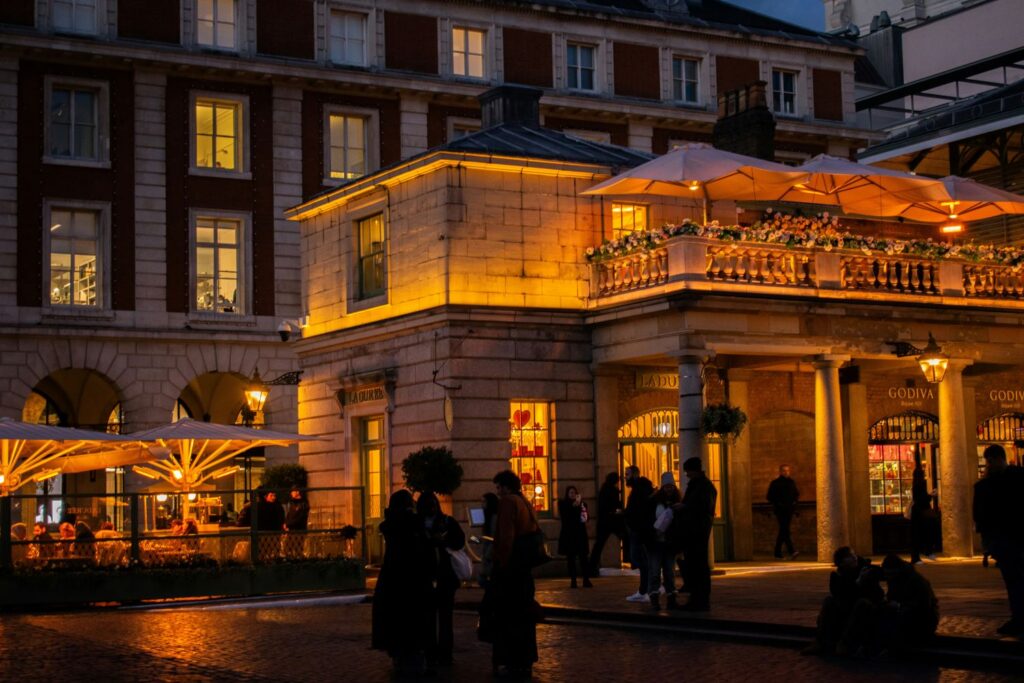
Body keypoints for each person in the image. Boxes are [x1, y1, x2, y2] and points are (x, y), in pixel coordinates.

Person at [371, 490, 434, 675]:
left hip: (392, 576)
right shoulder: (414, 524)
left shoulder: (390, 525)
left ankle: (398, 657)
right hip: (413, 578)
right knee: (414, 618)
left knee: (394, 618)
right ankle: (414, 658)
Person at [491, 469, 540, 678]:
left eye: (499, 487)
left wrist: (500, 562)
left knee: (510, 615)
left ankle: (513, 660)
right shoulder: (524, 501)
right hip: (525, 567)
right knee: (525, 615)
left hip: (512, 567)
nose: (498, 492)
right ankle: (526, 660)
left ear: (505, 486)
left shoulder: (508, 502)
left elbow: (506, 535)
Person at [973, 444, 1024, 636]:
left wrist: (988, 539)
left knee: (1014, 581)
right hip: (1012, 538)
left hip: (1006, 539)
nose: (988, 465)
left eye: (988, 461)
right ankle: (1018, 617)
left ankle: (1019, 619)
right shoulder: (1019, 477)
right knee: (1016, 580)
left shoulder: (986, 485)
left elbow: (980, 515)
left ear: (992, 460)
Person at [804, 546, 884, 656]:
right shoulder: (838, 576)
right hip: (846, 607)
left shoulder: (866, 569)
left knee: (862, 604)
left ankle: (845, 643)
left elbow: (876, 590)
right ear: (841, 563)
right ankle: (820, 642)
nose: (854, 557)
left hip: (864, 608)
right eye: (849, 556)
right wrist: (858, 582)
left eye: (853, 554)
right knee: (829, 601)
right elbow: (840, 594)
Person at [417, 491, 466, 667]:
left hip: (445, 577)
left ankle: (444, 653)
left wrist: (443, 542)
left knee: (444, 618)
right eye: (428, 506)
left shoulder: (447, 521)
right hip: (426, 577)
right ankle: (431, 651)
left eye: (433, 505)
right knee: (429, 618)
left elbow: (460, 541)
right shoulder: (417, 525)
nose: (431, 508)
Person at [677, 457, 717, 611]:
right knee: (696, 566)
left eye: (688, 472)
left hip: (697, 531)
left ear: (694, 471)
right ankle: (697, 598)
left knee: (698, 566)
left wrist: (684, 507)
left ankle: (699, 600)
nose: (687, 475)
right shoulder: (701, 486)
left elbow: (699, 507)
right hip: (695, 531)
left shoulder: (702, 487)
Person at [879, 553, 939, 650]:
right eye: (886, 574)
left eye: (889, 574)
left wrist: (899, 605)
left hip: (924, 618)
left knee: (902, 615)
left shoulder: (916, 580)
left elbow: (923, 605)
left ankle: (896, 649)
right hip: (906, 610)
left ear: (897, 570)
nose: (887, 577)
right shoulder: (894, 578)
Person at [648, 472, 681, 610]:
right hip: (656, 542)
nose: (669, 489)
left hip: (669, 543)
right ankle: (654, 598)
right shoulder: (654, 502)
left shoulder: (677, 503)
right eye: (667, 486)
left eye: (671, 486)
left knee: (669, 572)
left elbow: (680, 523)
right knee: (655, 571)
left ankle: (671, 598)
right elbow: (648, 519)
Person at [623, 465, 655, 603]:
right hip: (639, 528)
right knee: (641, 560)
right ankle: (646, 589)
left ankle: (645, 590)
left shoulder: (639, 489)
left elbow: (638, 509)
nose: (625, 477)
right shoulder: (641, 488)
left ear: (635, 475)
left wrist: (626, 514)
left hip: (640, 530)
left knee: (640, 560)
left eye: (627, 474)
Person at [588, 472, 624, 575]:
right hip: (612, 521)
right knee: (627, 538)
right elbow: (616, 505)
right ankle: (635, 562)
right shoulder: (613, 490)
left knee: (598, 545)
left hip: (603, 521)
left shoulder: (603, 489)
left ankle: (591, 567)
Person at [557, 485, 592, 588]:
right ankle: (573, 581)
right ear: (567, 494)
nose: (572, 495)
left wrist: (580, 506)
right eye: (570, 493)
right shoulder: (563, 504)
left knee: (583, 558)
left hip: (580, 534)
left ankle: (586, 580)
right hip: (569, 535)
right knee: (571, 559)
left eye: (574, 493)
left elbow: (585, 519)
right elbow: (565, 516)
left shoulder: (582, 504)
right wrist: (573, 506)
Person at [767, 464, 800, 560]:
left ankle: (777, 552)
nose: (786, 472)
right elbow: (769, 496)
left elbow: (796, 494)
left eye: (788, 470)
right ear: (780, 472)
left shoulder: (791, 482)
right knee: (785, 530)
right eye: (784, 471)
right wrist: (778, 503)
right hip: (780, 510)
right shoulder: (775, 483)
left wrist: (794, 504)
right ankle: (791, 551)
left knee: (783, 530)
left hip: (789, 510)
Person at [909, 464, 938, 565]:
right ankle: (920, 555)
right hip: (920, 512)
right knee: (922, 534)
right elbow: (921, 499)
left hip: (917, 512)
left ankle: (919, 555)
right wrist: (930, 495)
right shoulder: (920, 485)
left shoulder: (916, 485)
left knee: (918, 535)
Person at [284, 487, 311, 558]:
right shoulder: (293, 503)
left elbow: (300, 518)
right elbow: (289, 514)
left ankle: (298, 562)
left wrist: (288, 524)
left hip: (299, 530)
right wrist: (286, 523)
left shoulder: (303, 503)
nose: (291, 493)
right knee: (288, 548)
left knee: (298, 548)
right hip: (292, 530)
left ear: (297, 492)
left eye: (292, 491)